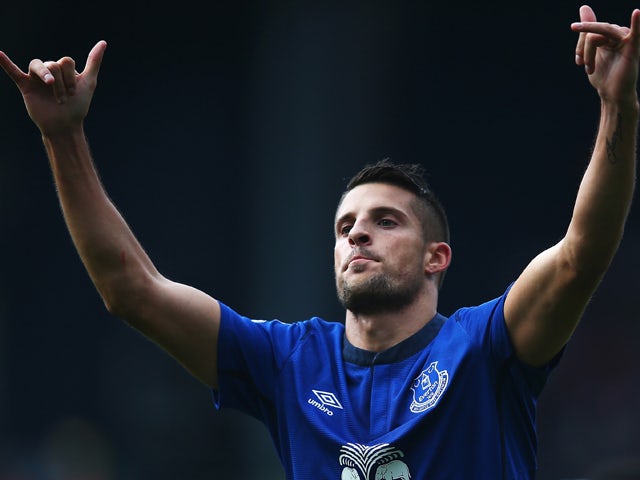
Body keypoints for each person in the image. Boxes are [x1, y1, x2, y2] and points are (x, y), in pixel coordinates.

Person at [1, 4, 638, 479]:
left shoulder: (486, 346)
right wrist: (62, 136)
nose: (358, 231)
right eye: (345, 226)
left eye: (388, 221)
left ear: (436, 259)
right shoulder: (287, 362)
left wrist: (618, 106)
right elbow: (130, 291)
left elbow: (582, 253)